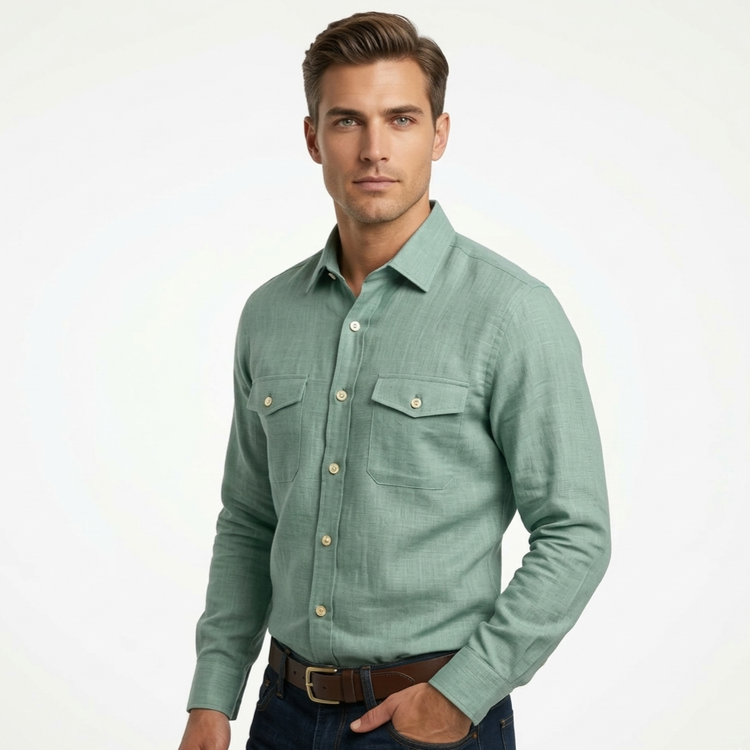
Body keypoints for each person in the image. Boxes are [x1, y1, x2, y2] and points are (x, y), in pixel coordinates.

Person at [178, 11, 611, 750]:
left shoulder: (512, 312)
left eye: (401, 119)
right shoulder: (269, 313)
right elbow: (249, 519)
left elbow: (575, 532)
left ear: (438, 134)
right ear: (313, 138)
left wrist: (461, 694)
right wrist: (213, 696)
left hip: (429, 722)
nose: (374, 149)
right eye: (347, 120)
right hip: (279, 716)